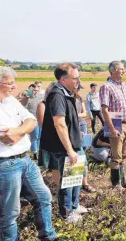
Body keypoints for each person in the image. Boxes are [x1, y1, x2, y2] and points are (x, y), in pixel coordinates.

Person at [0, 66, 70, 241]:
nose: (14, 86)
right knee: (10, 209)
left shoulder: (10, 102)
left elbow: (30, 120)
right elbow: (7, 136)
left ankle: (47, 237)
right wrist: (22, 129)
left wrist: (19, 130)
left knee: (43, 196)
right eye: (10, 83)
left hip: (25, 160)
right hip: (3, 165)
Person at [40, 63, 89, 223]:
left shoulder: (67, 93)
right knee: (67, 181)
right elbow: (59, 123)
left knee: (76, 177)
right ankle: (66, 213)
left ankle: (74, 205)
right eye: (75, 78)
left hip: (74, 144)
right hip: (63, 147)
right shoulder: (57, 95)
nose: (78, 81)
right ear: (63, 79)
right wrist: (69, 149)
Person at [100, 61, 126, 189]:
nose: (123, 71)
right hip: (116, 125)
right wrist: (111, 128)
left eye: (123, 69)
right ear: (113, 70)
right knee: (116, 156)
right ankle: (116, 184)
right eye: (121, 69)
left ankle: (124, 181)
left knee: (125, 155)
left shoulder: (124, 86)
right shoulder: (107, 87)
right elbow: (105, 110)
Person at [73, 84, 95, 193]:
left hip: (82, 125)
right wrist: (77, 115)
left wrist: (76, 114)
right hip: (74, 129)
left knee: (83, 150)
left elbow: (84, 113)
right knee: (80, 157)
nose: (78, 90)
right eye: (77, 88)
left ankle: (82, 183)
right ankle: (82, 184)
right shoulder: (66, 100)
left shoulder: (80, 98)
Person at [19, 84, 44, 160]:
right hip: (33, 121)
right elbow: (23, 109)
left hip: (40, 119)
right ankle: (34, 152)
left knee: (40, 136)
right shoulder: (27, 99)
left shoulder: (41, 98)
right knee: (35, 136)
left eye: (36, 90)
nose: (35, 92)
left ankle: (38, 151)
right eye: (33, 90)